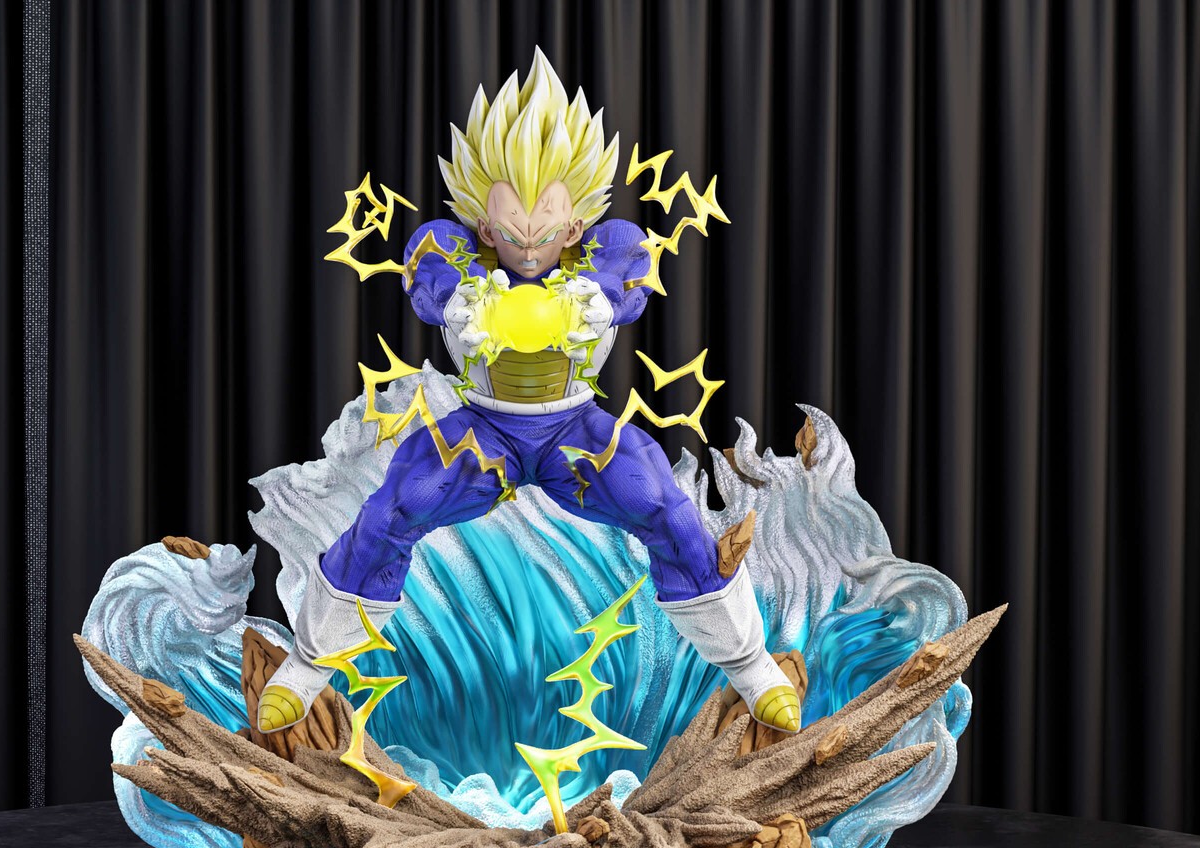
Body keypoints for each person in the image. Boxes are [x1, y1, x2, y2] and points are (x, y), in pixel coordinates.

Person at [259, 49, 800, 736]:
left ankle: (751, 666)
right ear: (485, 227)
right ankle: (307, 666)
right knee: (394, 507)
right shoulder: (453, 257)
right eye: (511, 236)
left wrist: (588, 302)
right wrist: (464, 302)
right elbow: (430, 283)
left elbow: (625, 284)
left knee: (665, 507)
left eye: (544, 236)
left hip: (577, 430)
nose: (527, 250)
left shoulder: (606, 256)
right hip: (483, 431)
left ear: (574, 228)